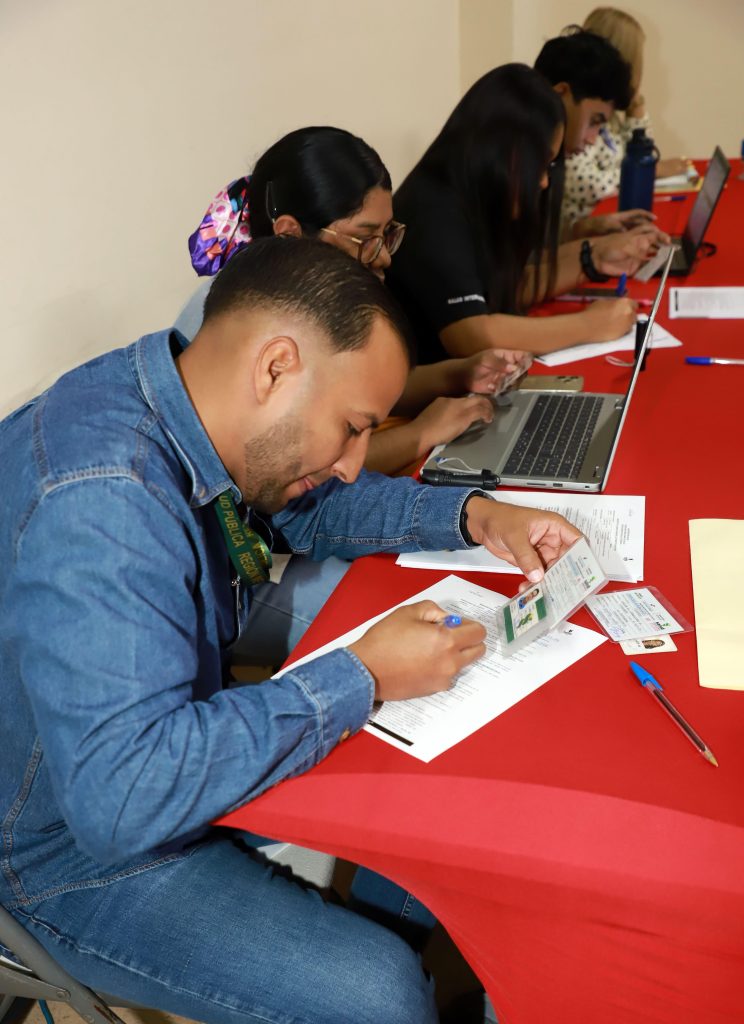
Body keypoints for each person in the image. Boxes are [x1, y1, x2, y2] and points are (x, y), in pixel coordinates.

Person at [1, 235, 582, 1024]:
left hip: (129, 770)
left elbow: (312, 508)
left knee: (434, 822)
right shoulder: (104, 502)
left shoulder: (183, 400)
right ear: (276, 367)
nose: (354, 461)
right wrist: (361, 674)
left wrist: (473, 515)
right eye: (352, 426)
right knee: (379, 996)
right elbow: (123, 799)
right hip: (56, 850)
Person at [184, 126, 532, 477]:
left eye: (387, 233)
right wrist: (423, 432)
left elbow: (359, 392)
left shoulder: (308, 295)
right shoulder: (249, 317)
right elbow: (301, 471)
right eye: (364, 238)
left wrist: (461, 373)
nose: (384, 257)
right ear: (290, 234)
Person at [386, 63, 668, 362]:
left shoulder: (469, 189)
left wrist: (592, 259)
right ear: (503, 150)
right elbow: (472, 334)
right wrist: (592, 325)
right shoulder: (435, 211)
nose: (544, 181)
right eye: (540, 164)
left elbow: (504, 288)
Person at [560, 10, 688, 230]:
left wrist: (636, 106)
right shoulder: (578, 115)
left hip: (611, 219)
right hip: (582, 231)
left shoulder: (610, 118)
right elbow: (586, 185)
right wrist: (653, 171)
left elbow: (640, 149)